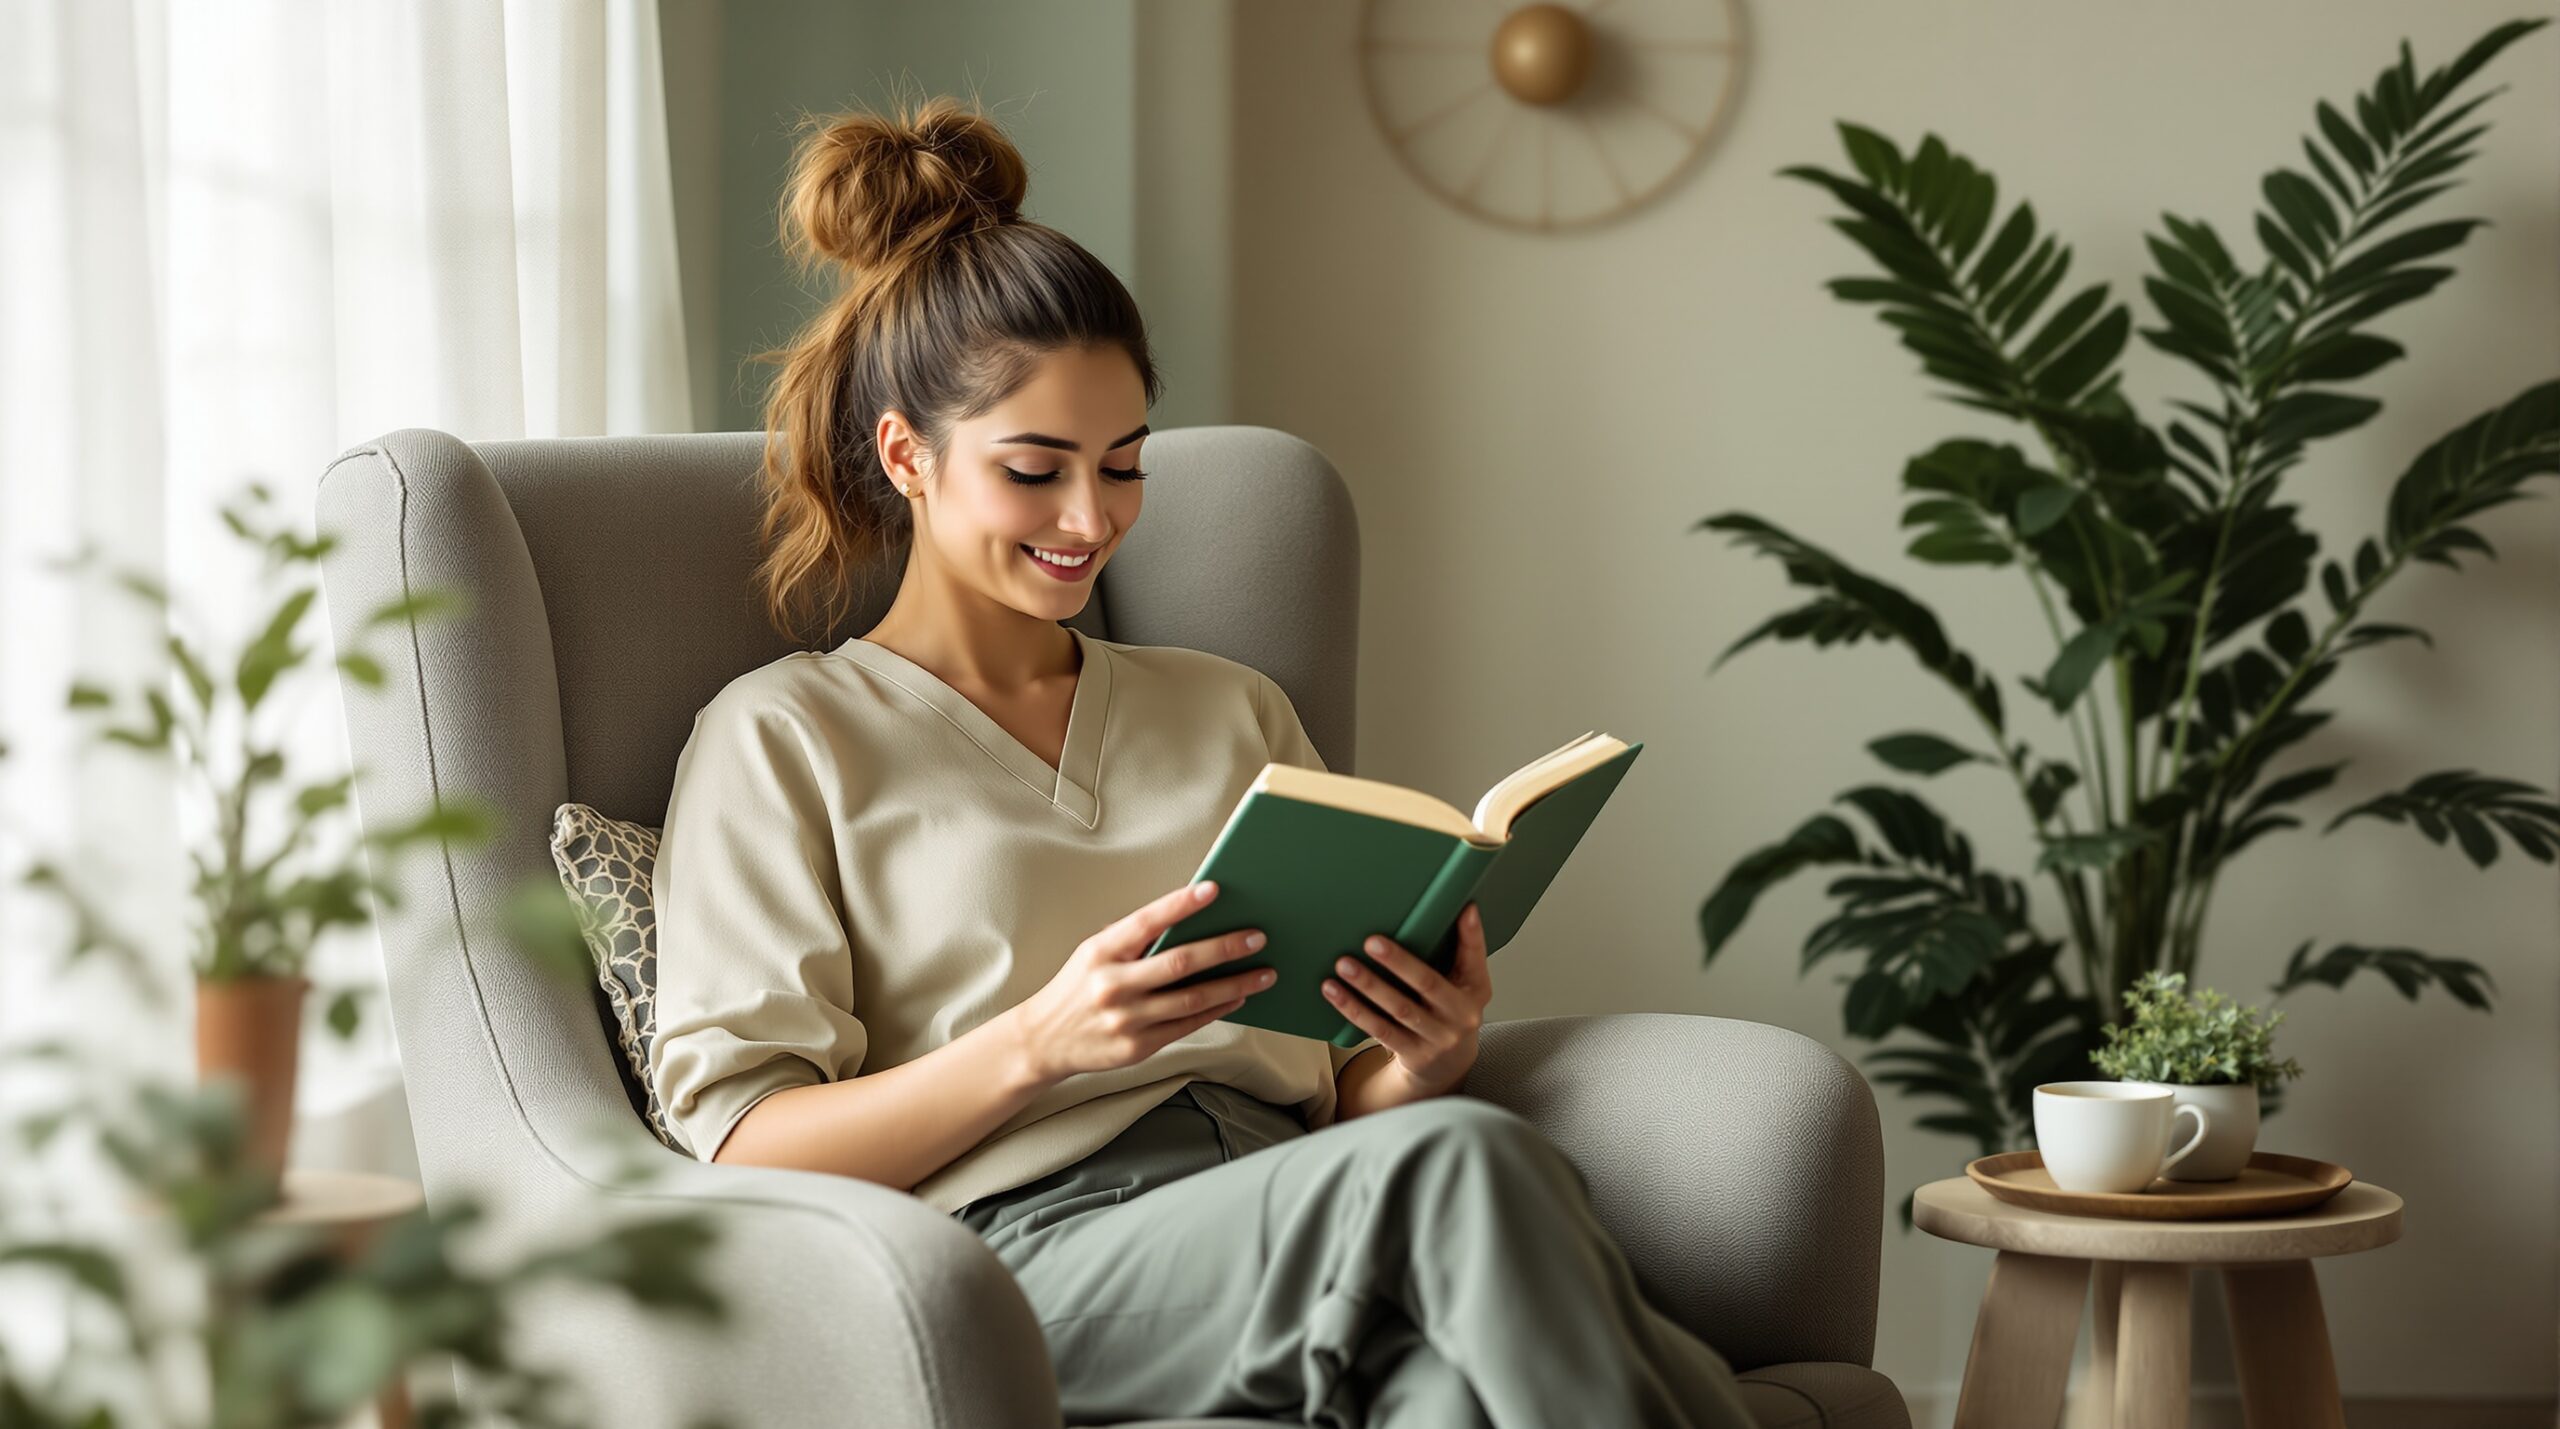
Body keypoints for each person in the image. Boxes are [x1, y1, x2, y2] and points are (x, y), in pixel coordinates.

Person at [645, 92, 1757, 1429]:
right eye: (1036, 469)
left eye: (1122, 466)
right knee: (1460, 1165)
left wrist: (1421, 1052)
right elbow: (748, 1139)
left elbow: (1341, 1097)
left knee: (1445, 1390)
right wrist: (1039, 1044)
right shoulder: (783, 739)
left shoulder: (1231, 710)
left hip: (1296, 1205)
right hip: (1022, 1260)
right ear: (908, 456)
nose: (1088, 518)